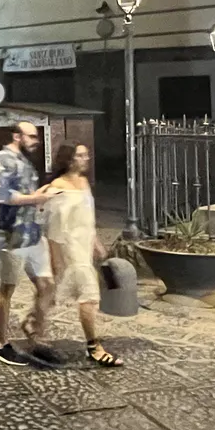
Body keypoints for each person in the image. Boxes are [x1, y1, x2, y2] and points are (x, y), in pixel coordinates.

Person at [42, 143, 125, 368]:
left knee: (53, 296)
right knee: (89, 297)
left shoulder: (84, 183)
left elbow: (87, 218)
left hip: (84, 248)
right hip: (69, 251)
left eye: (86, 154)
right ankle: (93, 347)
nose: (86, 158)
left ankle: (32, 329)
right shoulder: (57, 187)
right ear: (69, 159)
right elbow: (52, 227)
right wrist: (54, 258)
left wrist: (97, 243)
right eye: (80, 155)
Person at [0, 122, 58, 368]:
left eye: (36, 136)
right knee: (6, 290)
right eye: (31, 136)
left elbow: (27, 195)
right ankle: (0, 344)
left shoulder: (26, 162)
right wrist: (37, 197)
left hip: (33, 234)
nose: (35, 140)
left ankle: (34, 329)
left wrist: (45, 193)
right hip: (12, 235)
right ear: (17, 136)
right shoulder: (2, 159)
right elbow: (3, 195)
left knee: (47, 285)